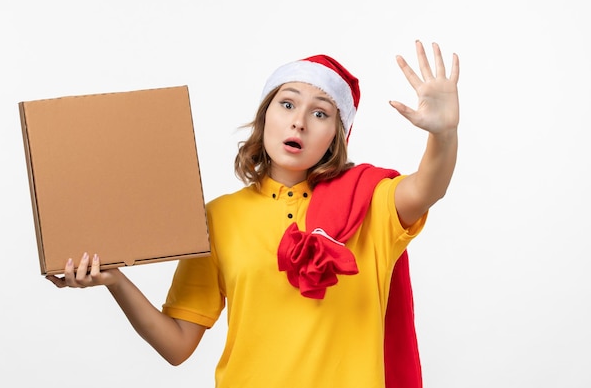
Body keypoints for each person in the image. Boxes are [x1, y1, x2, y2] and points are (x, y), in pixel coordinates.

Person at [47, 40, 460, 388]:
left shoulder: (370, 203)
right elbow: (177, 345)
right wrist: (115, 280)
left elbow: (428, 186)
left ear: (337, 135)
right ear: (265, 118)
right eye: (287, 104)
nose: (299, 121)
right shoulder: (219, 217)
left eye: (320, 113)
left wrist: (443, 134)